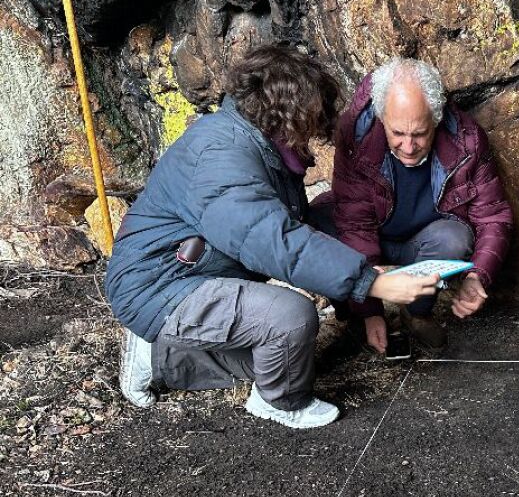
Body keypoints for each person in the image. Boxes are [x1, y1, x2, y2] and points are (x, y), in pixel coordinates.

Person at [106, 45, 439, 429]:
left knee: (285, 355)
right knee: (291, 319)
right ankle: (279, 403)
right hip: (158, 284)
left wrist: (362, 284)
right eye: (312, 119)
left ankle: (158, 357)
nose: (315, 131)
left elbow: (294, 228)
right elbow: (270, 239)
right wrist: (371, 283)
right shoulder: (221, 153)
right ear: (290, 112)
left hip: (198, 271)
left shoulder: (261, 144)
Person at [312, 58, 513, 355]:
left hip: (424, 240)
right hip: (373, 230)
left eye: (419, 134)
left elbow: (493, 216)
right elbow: (355, 224)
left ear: (436, 117)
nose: (408, 146)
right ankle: (354, 316)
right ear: (381, 118)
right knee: (319, 225)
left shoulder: (466, 139)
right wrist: (371, 311)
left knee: (454, 238)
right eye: (397, 134)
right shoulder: (355, 133)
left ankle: (416, 311)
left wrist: (478, 276)